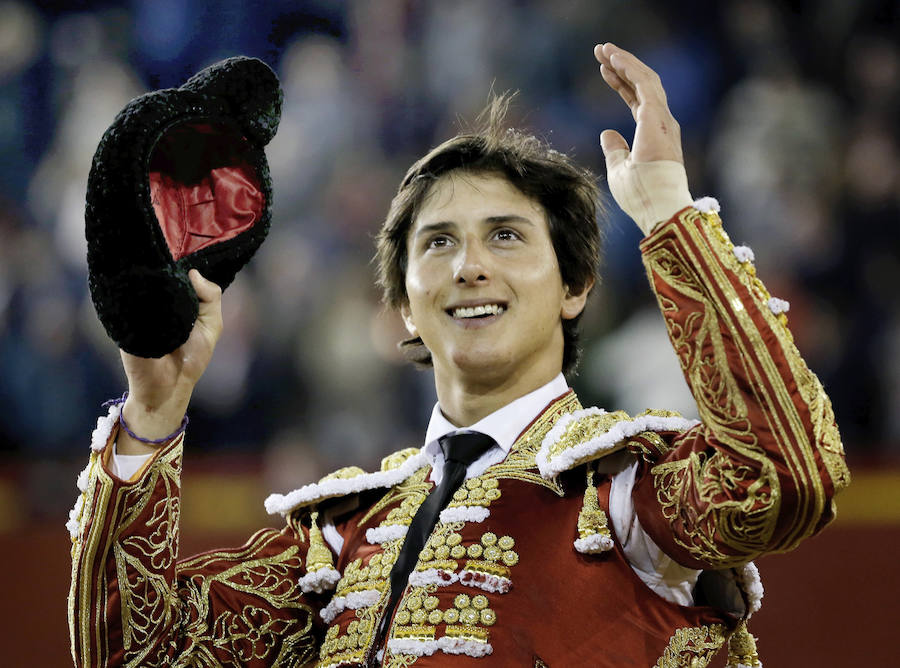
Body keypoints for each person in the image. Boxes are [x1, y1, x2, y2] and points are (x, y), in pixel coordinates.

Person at [67, 43, 848, 667]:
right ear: (404, 306)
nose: (469, 266)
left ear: (575, 286)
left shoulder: (622, 492)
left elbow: (784, 477)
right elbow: (140, 652)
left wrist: (669, 216)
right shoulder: (342, 535)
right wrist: (155, 413)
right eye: (437, 243)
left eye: (505, 236)